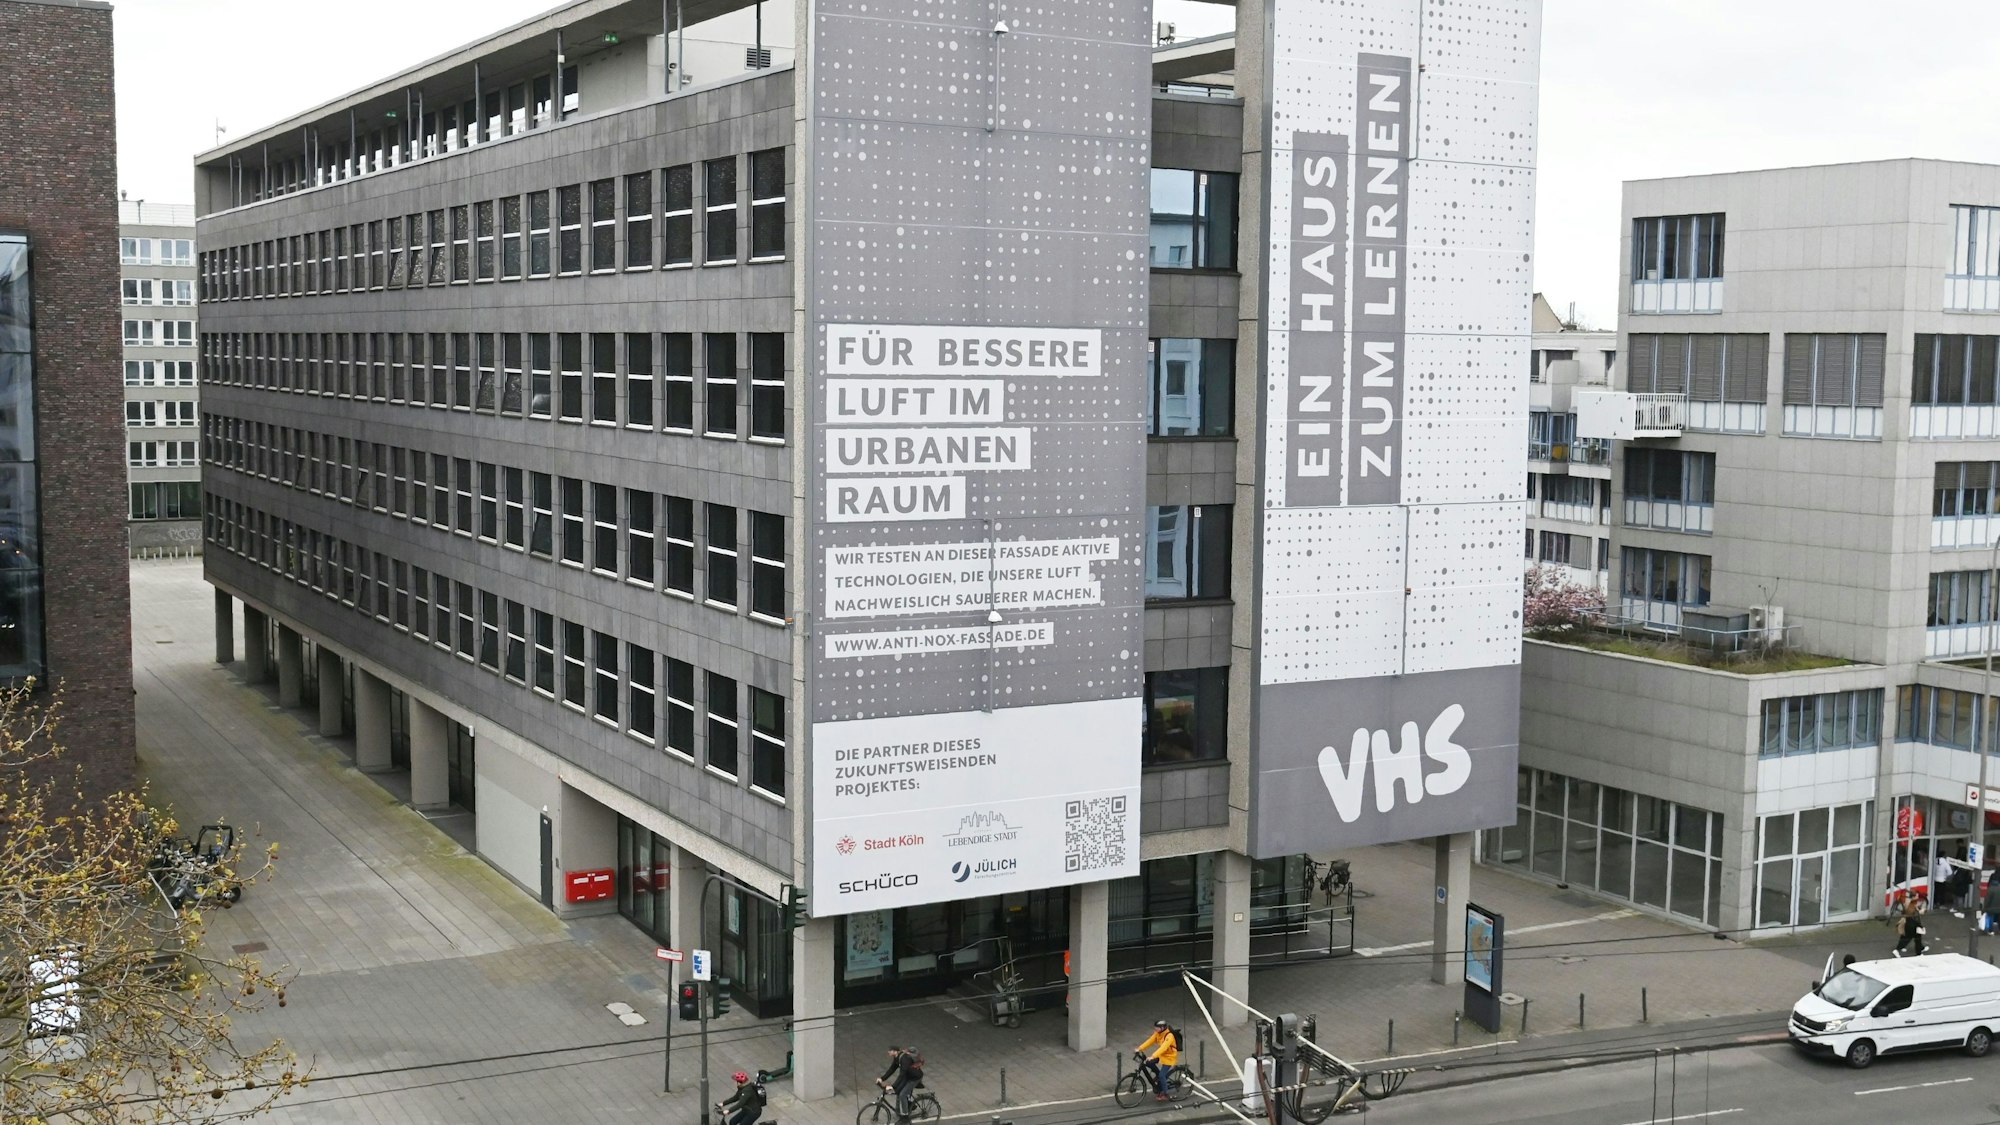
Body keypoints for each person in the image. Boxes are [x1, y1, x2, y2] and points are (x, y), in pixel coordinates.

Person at [1134, 1020, 1181, 1101]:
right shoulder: (1158, 1033)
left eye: (1157, 1028)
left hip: (1169, 1057)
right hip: (1162, 1055)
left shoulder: (1169, 1036)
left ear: (1162, 1028)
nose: (1155, 1029)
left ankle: (1165, 1093)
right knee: (1148, 1062)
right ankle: (1158, 1076)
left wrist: (1153, 1056)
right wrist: (1140, 1048)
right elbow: (1150, 1041)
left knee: (1162, 1075)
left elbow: (1163, 1048)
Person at [879, 1046, 923, 1124]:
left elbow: (902, 1075)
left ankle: (905, 1117)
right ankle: (907, 1106)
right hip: (908, 1076)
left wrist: (893, 1086)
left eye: (890, 1050)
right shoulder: (897, 1058)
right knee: (898, 1091)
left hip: (914, 1078)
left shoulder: (904, 1059)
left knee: (902, 1094)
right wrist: (882, 1078)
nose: (888, 1052)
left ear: (895, 1051)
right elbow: (892, 1069)